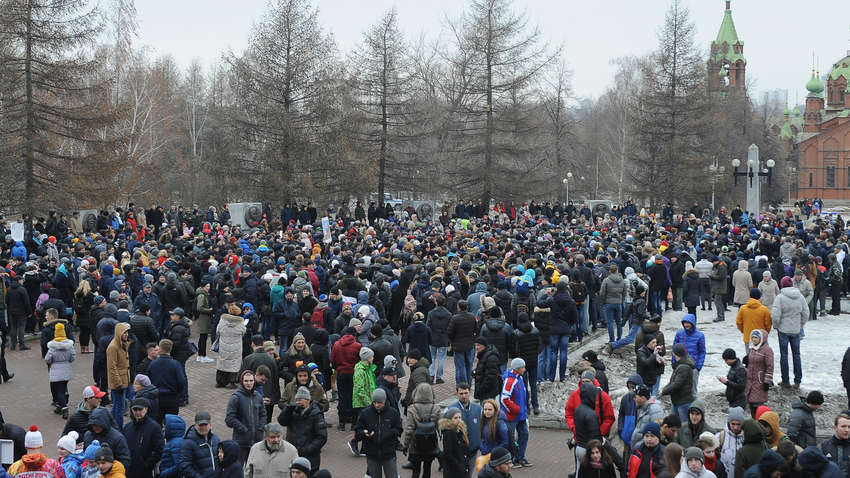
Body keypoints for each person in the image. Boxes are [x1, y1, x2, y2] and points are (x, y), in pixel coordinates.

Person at [278, 386, 328, 473]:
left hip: (311, 457)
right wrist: (288, 409)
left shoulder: (316, 414)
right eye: (297, 399)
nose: (298, 402)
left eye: (300, 399)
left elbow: (322, 437)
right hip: (294, 454)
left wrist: (308, 449)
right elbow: (282, 421)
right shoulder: (294, 411)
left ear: (307, 400)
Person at [354, 389, 402, 478]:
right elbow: (358, 429)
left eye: (379, 403)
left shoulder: (393, 413)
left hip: (388, 453)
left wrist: (389, 433)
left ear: (384, 401)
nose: (377, 405)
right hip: (372, 454)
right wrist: (364, 433)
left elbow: (399, 429)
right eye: (375, 402)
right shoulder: (366, 413)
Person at [771, 277, 808, 389]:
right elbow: (806, 313)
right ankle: (797, 381)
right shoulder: (800, 297)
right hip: (796, 330)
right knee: (797, 355)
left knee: (784, 355)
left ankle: (785, 380)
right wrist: (800, 325)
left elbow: (775, 315)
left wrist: (776, 326)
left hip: (783, 330)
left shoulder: (780, 298)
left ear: (782, 285)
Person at [225, 370, 266, 463]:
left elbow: (263, 414)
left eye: (251, 381)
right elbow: (230, 418)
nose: (249, 383)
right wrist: (243, 429)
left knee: (254, 468)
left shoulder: (258, 396)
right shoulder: (236, 398)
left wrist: (261, 427)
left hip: (256, 441)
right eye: (246, 381)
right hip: (241, 441)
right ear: (242, 382)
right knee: (239, 468)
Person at [401, 383, 440, 478]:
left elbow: (409, 429)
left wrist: (405, 445)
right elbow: (439, 427)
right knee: (427, 470)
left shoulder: (412, 409)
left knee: (416, 471)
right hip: (431, 445)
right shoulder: (436, 408)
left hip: (416, 445)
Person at [500, 358, 531, 468]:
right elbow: (504, 399)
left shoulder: (520, 378)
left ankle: (520, 457)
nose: (524, 369)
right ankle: (510, 459)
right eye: (522, 367)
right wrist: (517, 409)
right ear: (517, 368)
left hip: (521, 415)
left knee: (524, 434)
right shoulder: (510, 381)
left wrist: (524, 409)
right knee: (510, 439)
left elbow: (523, 396)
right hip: (511, 416)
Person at [121, 398, 163, 478]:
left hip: (144, 472)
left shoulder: (154, 427)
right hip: (129, 469)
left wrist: (147, 465)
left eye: (140, 409)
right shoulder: (128, 427)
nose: (137, 412)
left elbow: (159, 450)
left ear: (146, 409)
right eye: (135, 409)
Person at [330, 326, 361, 431]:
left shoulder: (337, 344)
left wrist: (337, 368)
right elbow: (359, 360)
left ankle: (342, 422)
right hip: (353, 373)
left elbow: (333, 360)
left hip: (341, 373)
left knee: (342, 397)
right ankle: (353, 422)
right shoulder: (358, 346)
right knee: (353, 396)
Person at [147, 339, 186, 420]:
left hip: (157, 397)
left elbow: (148, 380)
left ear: (160, 349)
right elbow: (182, 381)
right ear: (170, 349)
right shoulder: (176, 364)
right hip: (172, 398)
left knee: (157, 422)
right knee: (171, 423)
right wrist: (177, 393)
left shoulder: (153, 364)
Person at [451, 383, 483, 478]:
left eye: (466, 393)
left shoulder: (478, 409)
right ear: (457, 393)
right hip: (458, 452)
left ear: (470, 393)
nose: (464, 396)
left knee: (469, 474)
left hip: (473, 450)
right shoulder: (451, 410)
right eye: (461, 393)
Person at [45, 323, 76, 418]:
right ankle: (61, 405)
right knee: (64, 387)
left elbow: (47, 359)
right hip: (66, 369)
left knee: (59, 390)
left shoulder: (52, 347)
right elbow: (73, 357)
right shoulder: (69, 345)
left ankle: (64, 408)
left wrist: (52, 362)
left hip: (56, 370)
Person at [180, 412, 221, 478]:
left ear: (210, 425)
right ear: (195, 425)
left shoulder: (216, 439)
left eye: (205, 424)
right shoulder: (188, 442)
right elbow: (184, 465)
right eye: (200, 425)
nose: (203, 427)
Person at [106, 322, 132, 427]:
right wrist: (118, 383)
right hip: (119, 383)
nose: (126, 335)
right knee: (119, 408)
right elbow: (112, 367)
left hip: (125, 380)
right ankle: (118, 428)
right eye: (124, 333)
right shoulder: (113, 347)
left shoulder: (122, 344)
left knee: (118, 407)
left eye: (127, 332)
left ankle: (109, 424)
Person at [673, 315, 705, 396]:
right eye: (684, 323)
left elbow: (702, 352)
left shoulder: (700, 335)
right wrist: (674, 363)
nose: (686, 325)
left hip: (693, 367)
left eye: (688, 323)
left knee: (692, 390)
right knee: (678, 387)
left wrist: (698, 367)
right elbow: (674, 349)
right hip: (680, 366)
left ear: (693, 323)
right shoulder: (679, 334)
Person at [662, 344, 696, 422]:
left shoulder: (683, 367)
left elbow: (677, 384)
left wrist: (664, 391)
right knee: (673, 423)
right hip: (678, 401)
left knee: (684, 426)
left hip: (683, 402)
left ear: (674, 353)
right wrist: (664, 388)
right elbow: (673, 382)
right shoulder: (681, 364)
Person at [217, 303, 247, 387]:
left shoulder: (223, 320)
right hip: (236, 346)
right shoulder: (240, 322)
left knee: (223, 362)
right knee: (234, 362)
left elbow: (218, 330)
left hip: (224, 345)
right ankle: (232, 381)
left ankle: (220, 381)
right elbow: (243, 331)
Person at [744, 330, 773, 416]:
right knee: (751, 404)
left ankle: (759, 424)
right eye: (752, 337)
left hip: (760, 381)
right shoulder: (752, 348)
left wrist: (767, 381)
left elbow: (770, 366)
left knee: (759, 406)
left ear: (761, 338)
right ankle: (754, 422)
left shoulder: (767, 350)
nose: (754, 339)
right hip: (750, 381)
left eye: (756, 337)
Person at [447, 300, 477, 387]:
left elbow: (449, 332)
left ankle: (462, 385)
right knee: (469, 365)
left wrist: (453, 340)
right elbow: (476, 329)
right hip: (470, 344)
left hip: (458, 345)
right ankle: (469, 383)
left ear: (458, 307)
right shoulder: (472, 317)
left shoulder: (455, 318)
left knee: (460, 367)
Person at [631, 384, 665, 450]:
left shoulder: (655, 410)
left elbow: (656, 434)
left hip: (646, 449)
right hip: (638, 448)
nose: (633, 399)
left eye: (635, 397)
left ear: (643, 398)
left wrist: (640, 447)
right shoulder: (642, 407)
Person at [441, 408, 471, 478]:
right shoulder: (448, 433)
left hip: (462, 468)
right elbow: (447, 454)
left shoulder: (460, 430)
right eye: (455, 418)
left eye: (460, 417)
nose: (459, 420)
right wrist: (459, 466)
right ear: (450, 419)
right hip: (453, 471)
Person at [715, 407, 745, 478]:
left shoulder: (747, 437)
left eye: (738, 424)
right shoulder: (720, 437)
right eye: (733, 424)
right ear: (729, 423)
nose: (735, 427)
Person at [819, 412, 850, 478]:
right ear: (835, 428)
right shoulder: (823, 446)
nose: (847, 430)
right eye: (843, 426)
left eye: (849, 427)